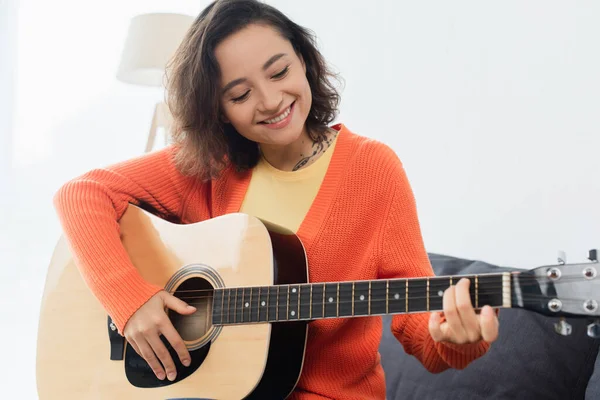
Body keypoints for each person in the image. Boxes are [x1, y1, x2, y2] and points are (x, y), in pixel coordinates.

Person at [53, 0, 499, 398]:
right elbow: (80, 195)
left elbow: (417, 326)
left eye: (280, 71)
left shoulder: (373, 168)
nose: (269, 101)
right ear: (218, 109)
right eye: (240, 94)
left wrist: (455, 337)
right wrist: (129, 301)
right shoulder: (209, 166)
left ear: (305, 61)